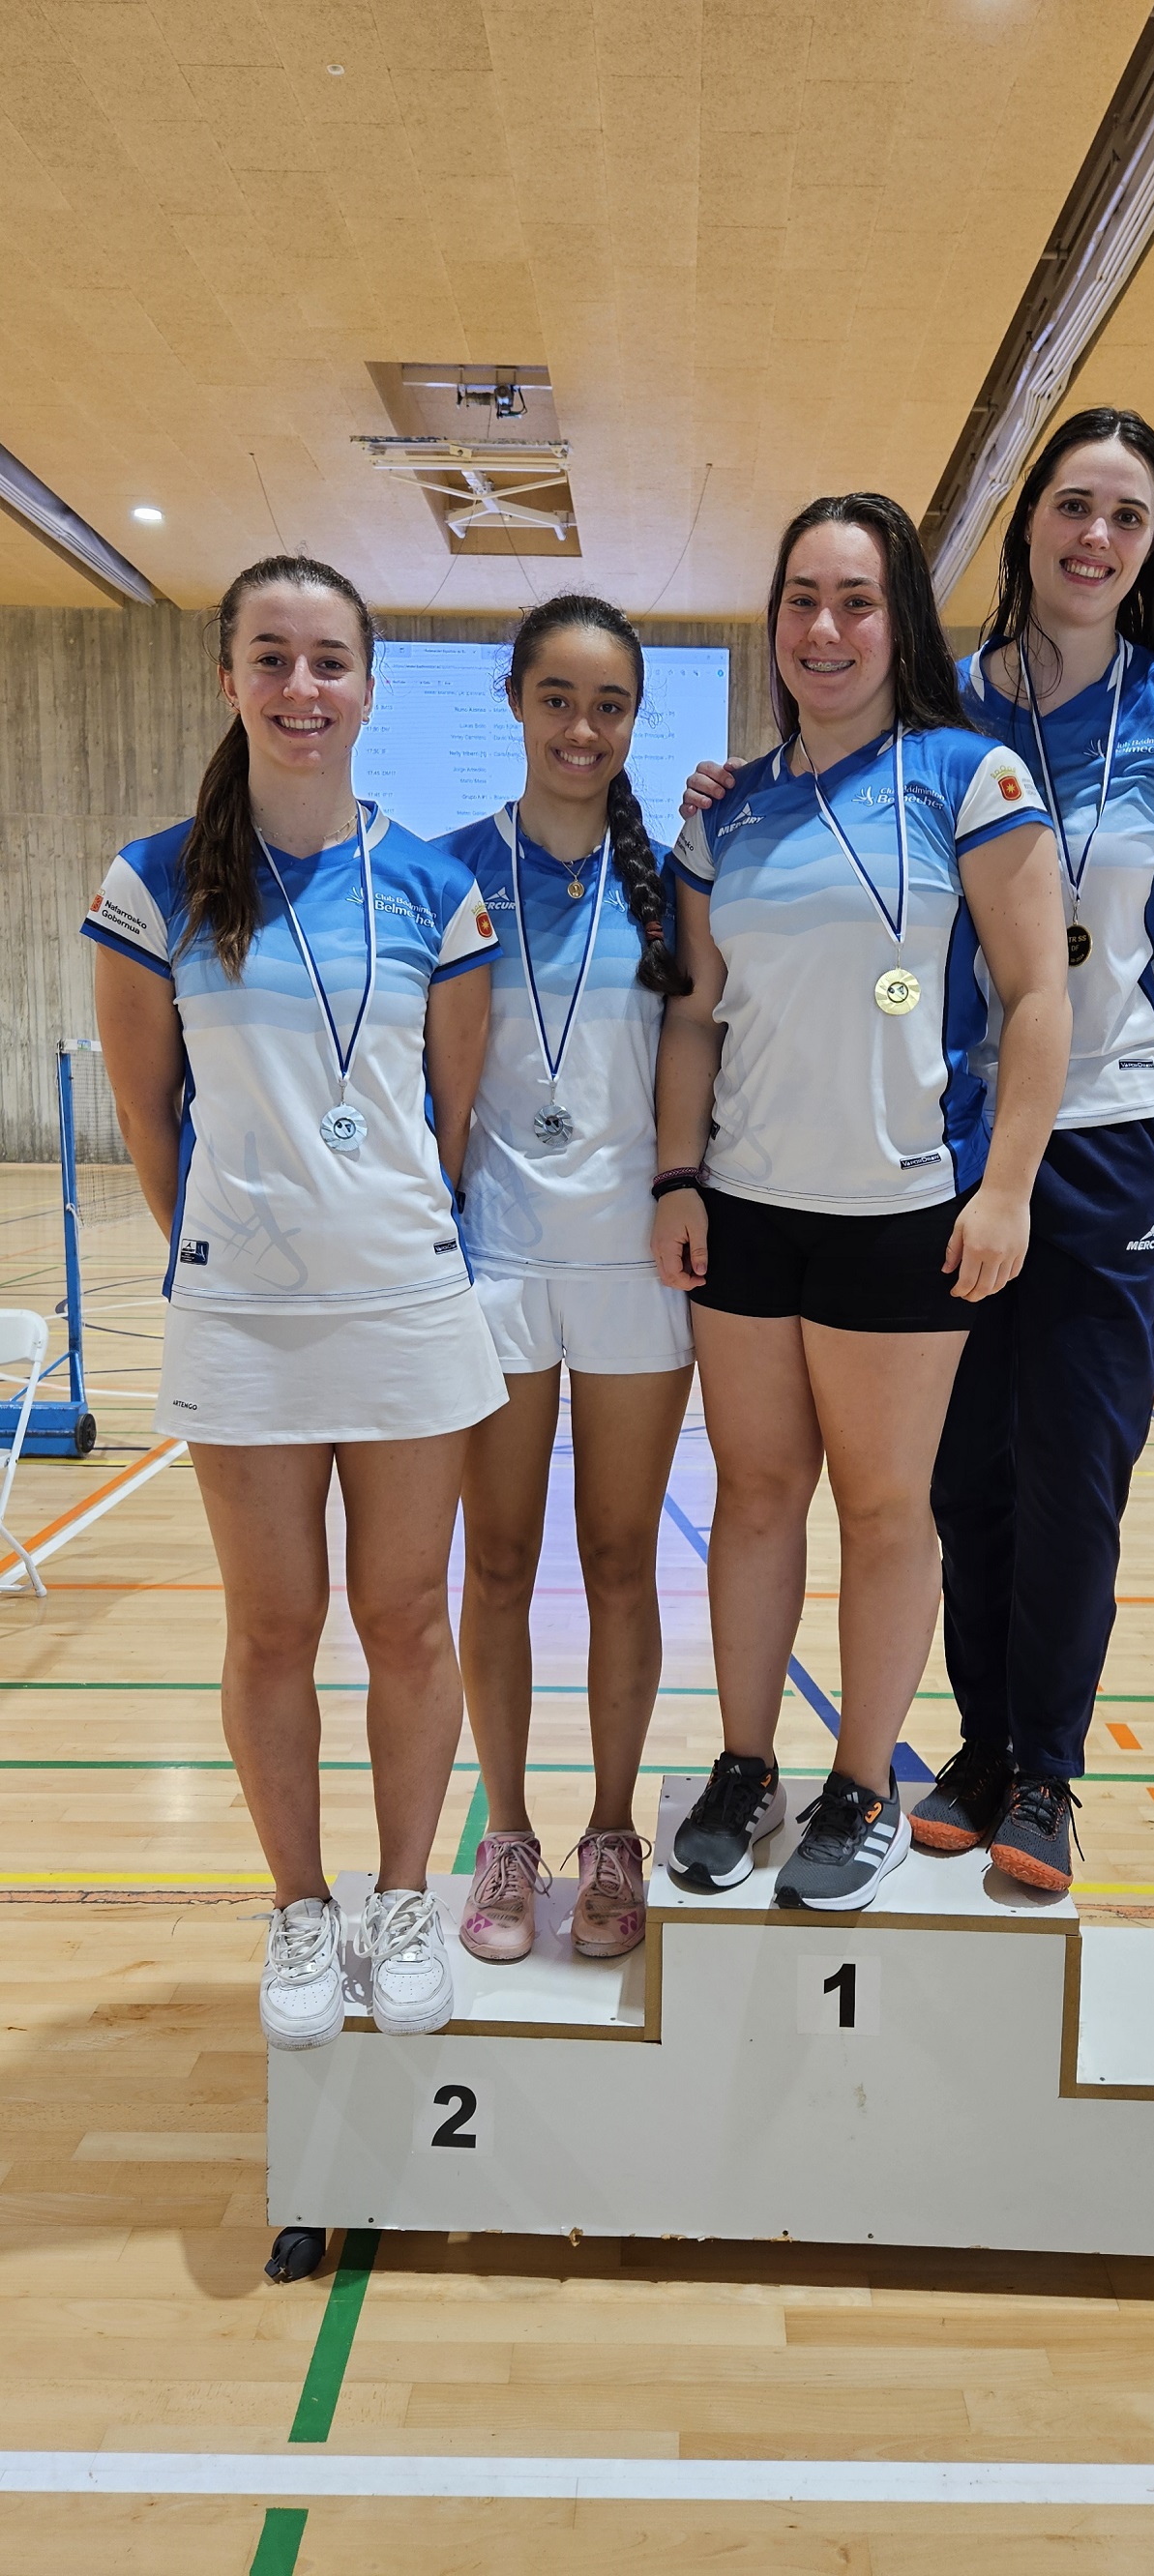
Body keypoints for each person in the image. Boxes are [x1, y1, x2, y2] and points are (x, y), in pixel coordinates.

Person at [84, 553, 506, 2047]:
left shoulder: (436, 886)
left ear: (371, 689)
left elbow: (447, 1118)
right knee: (272, 1628)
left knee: (404, 1620)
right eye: (271, 658)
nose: (301, 689)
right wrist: (241, 1246)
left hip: (404, 1306)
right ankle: (297, 1909)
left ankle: (403, 1902)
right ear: (228, 682)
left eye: (329, 661)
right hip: (243, 1319)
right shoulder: (151, 884)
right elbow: (149, 1119)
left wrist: (372, 1232)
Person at [655, 492, 1070, 1913]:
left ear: (899, 623)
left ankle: (862, 1781)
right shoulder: (734, 813)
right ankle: (748, 1763)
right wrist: (676, 1177)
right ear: (771, 624)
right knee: (758, 1497)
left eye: (855, 601)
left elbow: (1037, 1000)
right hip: (750, 1209)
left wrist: (1006, 1186)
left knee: (887, 1507)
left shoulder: (973, 778)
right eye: (799, 601)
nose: (823, 630)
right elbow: (697, 1017)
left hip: (904, 1213)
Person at [909, 406, 1154, 1890]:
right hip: (946, 1142)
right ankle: (980, 1742)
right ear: (1028, 525)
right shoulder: (942, 712)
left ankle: (1049, 1771)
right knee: (962, 1478)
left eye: (1127, 516)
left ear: (1150, 542)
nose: (1097, 537)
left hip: (1114, 1139)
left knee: (1078, 1474)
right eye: (1074, 505)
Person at [435, 598, 695, 1966]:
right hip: (495, 1262)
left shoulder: (672, 874)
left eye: (608, 705)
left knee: (616, 1561)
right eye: (556, 699)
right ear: (518, 703)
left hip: (633, 1267)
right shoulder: (448, 870)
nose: (581, 728)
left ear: (633, 720)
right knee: (500, 1562)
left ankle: (608, 1831)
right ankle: (508, 1835)